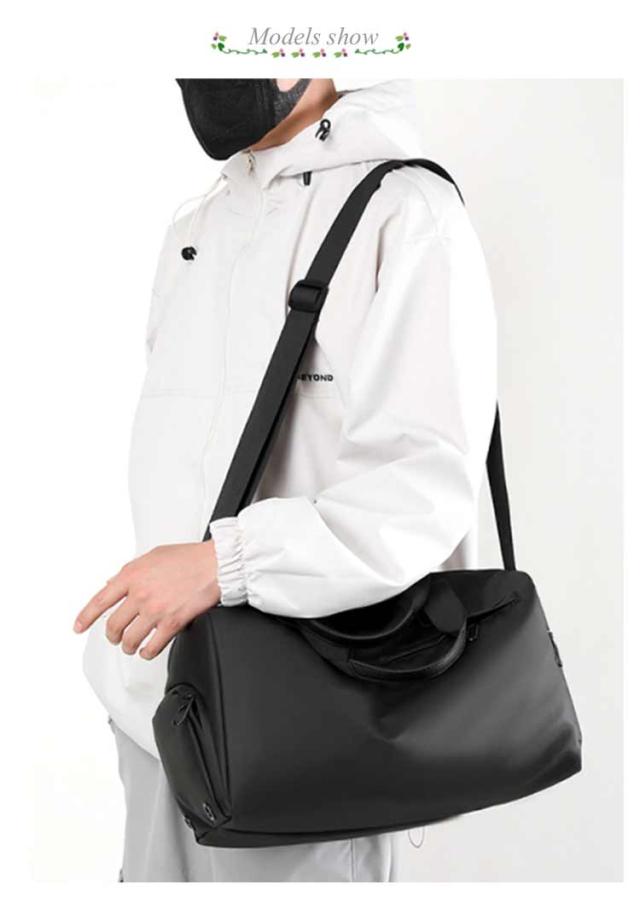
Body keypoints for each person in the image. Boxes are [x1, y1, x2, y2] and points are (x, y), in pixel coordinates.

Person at [74, 78, 496, 882]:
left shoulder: (405, 213)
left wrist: (222, 563)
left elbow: (423, 490)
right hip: (156, 715)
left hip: (304, 728)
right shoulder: (197, 229)